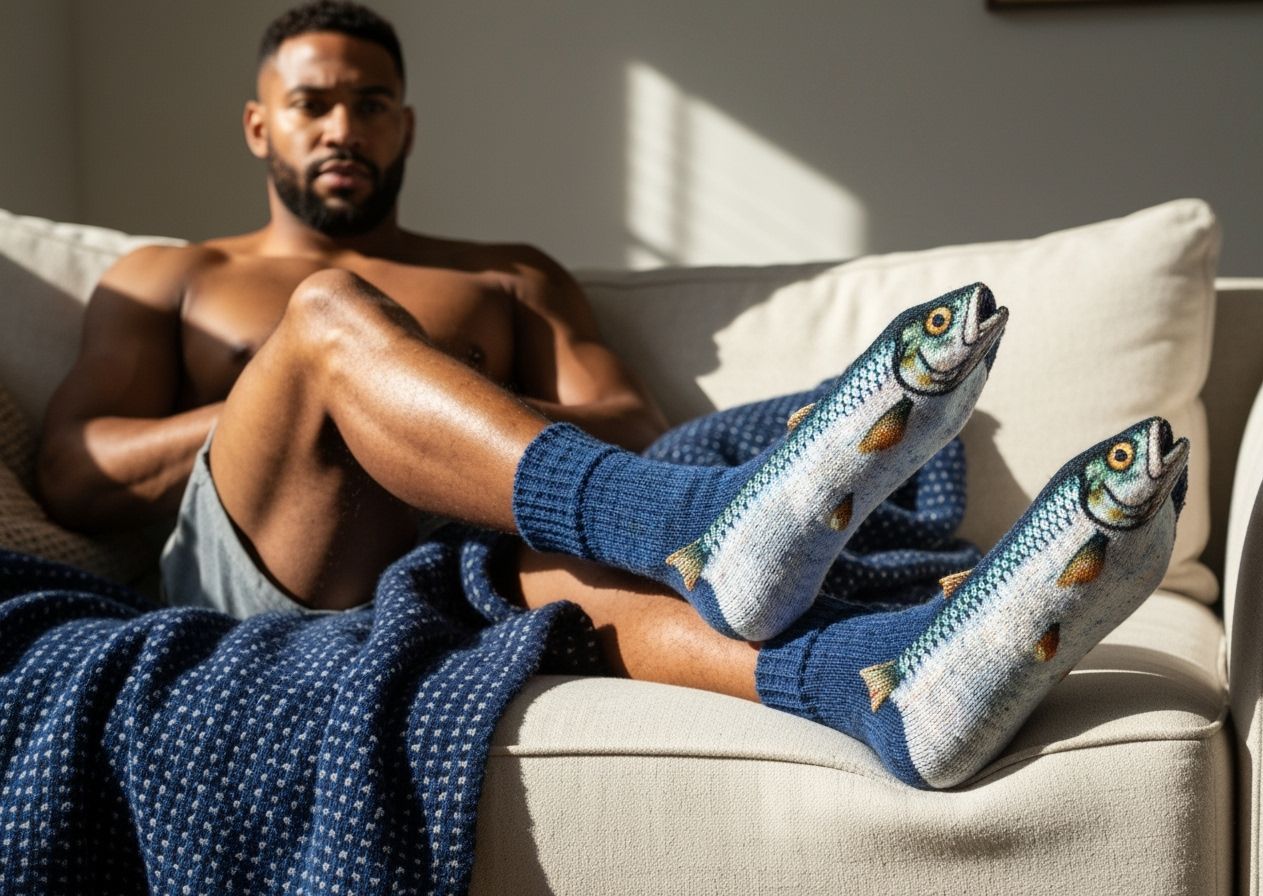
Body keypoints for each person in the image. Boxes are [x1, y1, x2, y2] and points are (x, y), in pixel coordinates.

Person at [35, 0, 1188, 790]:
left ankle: (878, 690)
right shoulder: (174, 276)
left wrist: (439, 417)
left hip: (452, 562)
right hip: (261, 568)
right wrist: (329, 402)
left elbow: (634, 430)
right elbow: (78, 471)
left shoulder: (504, 273)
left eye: (371, 102)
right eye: (312, 104)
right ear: (260, 124)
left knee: (585, 564)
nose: (343, 127)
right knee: (330, 316)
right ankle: (709, 531)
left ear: (407, 122)